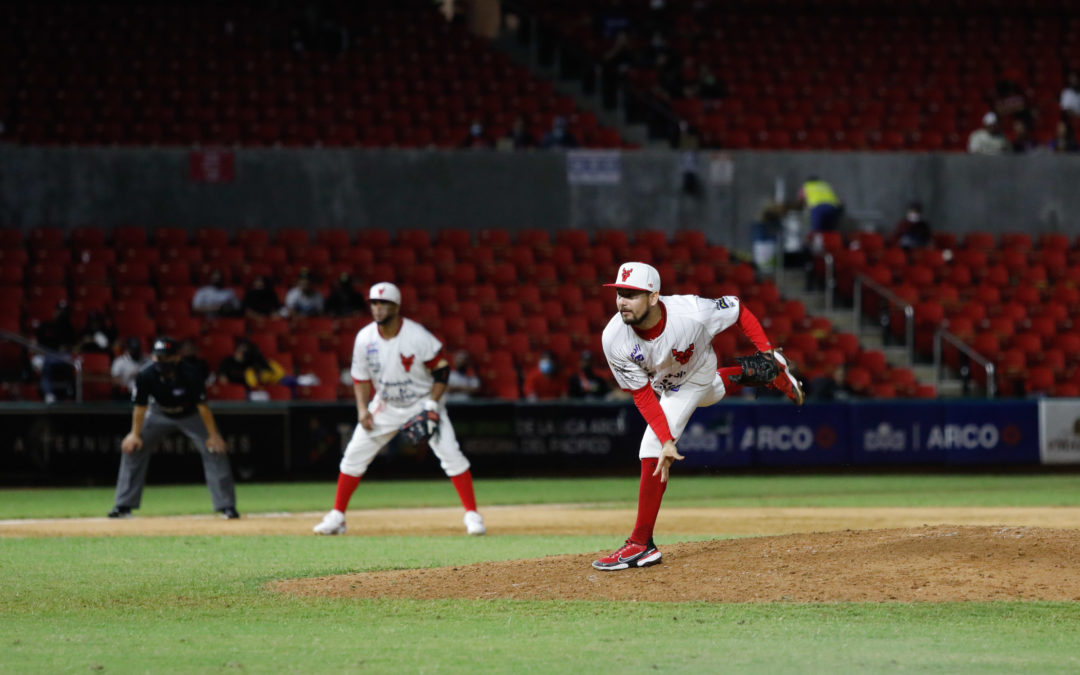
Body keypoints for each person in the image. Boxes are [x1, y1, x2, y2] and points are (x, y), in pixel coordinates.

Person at [591, 262, 803, 571]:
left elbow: (737, 308)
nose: (622, 301)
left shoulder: (691, 311)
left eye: (632, 294)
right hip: (666, 382)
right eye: (620, 293)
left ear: (653, 297)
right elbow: (642, 395)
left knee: (650, 446)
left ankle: (641, 545)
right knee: (711, 394)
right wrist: (668, 439)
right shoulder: (614, 338)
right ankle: (770, 373)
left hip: (696, 372)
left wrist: (766, 351)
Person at [312, 282, 485, 536]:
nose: (378, 308)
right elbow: (360, 377)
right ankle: (337, 516)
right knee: (353, 457)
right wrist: (362, 409)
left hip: (422, 402)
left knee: (451, 454)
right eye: (374, 303)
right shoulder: (365, 338)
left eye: (384, 303)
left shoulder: (416, 336)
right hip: (386, 404)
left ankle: (472, 515)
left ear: (396, 306)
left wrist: (432, 404)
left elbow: (442, 371)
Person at [108, 337, 239, 519]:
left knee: (216, 449)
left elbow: (203, 407)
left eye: (167, 357)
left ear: (177, 357)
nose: (162, 361)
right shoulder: (146, 375)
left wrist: (213, 435)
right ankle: (123, 505)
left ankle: (226, 506)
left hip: (191, 414)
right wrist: (134, 434)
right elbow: (140, 407)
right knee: (133, 448)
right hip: (158, 413)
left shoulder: (191, 373)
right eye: (158, 357)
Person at [32, 300, 77, 402]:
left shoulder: (69, 327)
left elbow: (74, 345)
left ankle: (70, 391)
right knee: (45, 363)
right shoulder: (47, 326)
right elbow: (38, 343)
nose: (62, 314)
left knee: (70, 362)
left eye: (64, 311)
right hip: (48, 355)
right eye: (60, 311)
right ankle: (48, 393)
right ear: (55, 311)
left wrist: (67, 347)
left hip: (63, 356)